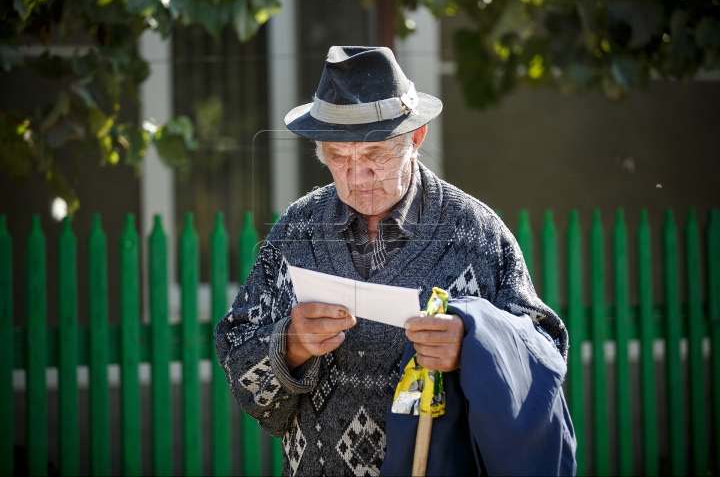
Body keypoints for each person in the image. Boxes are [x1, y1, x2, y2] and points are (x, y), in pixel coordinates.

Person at [215, 46, 574, 476]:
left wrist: (474, 345)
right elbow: (236, 358)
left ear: (415, 139)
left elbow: (545, 351)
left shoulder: (476, 232)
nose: (355, 177)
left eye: (374, 156)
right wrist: (290, 345)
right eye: (337, 157)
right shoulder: (297, 229)